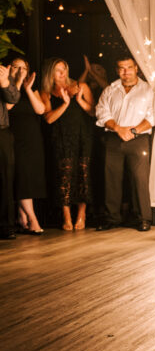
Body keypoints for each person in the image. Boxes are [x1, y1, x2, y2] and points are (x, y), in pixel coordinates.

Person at [94, 56, 155, 231]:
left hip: (139, 138)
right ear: (117, 70)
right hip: (113, 137)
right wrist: (118, 128)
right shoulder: (110, 89)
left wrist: (133, 131)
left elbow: (153, 116)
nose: (125, 72)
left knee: (139, 179)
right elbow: (101, 112)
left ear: (136, 68)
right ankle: (111, 218)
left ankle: (143, 218)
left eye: (129, 67)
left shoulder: (148, 90)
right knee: (111, 178)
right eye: (121, 68)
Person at [40, 57, 95, 231]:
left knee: (83, 173)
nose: (63, 73)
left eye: (64, 68)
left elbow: (94, 112)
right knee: (64, 176)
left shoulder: (81, 86)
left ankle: (81, 214)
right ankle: (66, 216)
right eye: (58, 70)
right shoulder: (47, 92)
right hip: (61, 137)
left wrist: (79, 100)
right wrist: (65, 103)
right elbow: (48, 119)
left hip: (82, 136)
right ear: (50, 73)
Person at [6, 58, 47, 234]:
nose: (20, 71)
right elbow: (8, 106)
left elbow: (40, 110)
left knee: (29, 178)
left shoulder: (31, 88)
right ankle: (33, 219)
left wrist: (28, 89)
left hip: (32, 139)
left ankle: (22, 217)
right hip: (14, 137)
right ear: (9, 69)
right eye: (16, 67)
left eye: (24, 68)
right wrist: (16, 83)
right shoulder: (5, 87)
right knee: (22, 177)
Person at [0, 61, 20, 239]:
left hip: (1, 131)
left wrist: (5, 82)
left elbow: (14, 98)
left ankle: (6, 226)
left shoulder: (1, 72)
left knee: (5, 180)